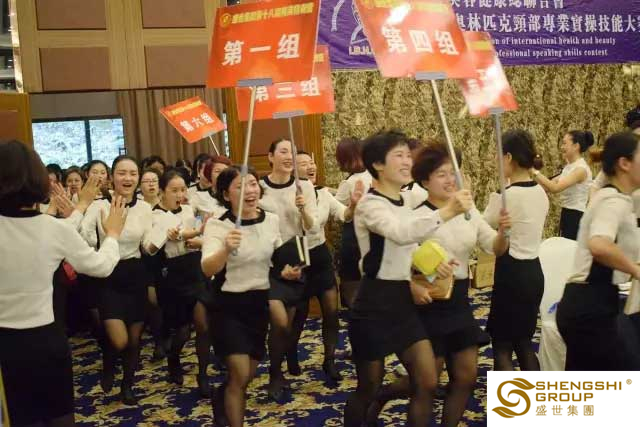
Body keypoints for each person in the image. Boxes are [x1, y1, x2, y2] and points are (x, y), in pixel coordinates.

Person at [365, 142, 510, 427]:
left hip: (459, 300)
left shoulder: (469, 212)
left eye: (454, 172)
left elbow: (495, 248)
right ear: (425, 181)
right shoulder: (417, 216)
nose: (450, 179)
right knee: (425, 383)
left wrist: (504, 232)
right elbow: (397, 264)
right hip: (427, 304)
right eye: (442, 174)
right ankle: (383, 395)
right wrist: (417, 283)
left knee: (466, 376)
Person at [344, 130, 472, 427]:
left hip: (403, 303)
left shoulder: (404, 200)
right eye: (398, 156)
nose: (407, 161)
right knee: (368, 387)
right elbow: (400, 233)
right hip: (373, 305)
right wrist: (449, 211)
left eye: (407, 155)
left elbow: (410, 248)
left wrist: (434, 266)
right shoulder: (370, 204)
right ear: (378, 164)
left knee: (427, 381)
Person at [0, 140, 126, 427]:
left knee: (15, 416)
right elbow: (101, 266)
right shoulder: (52, 229)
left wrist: (80, 206)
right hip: (44, 341)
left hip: (4, 342)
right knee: (57, 416)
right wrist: (113, 234)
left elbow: (55, 232)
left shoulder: (52, 229)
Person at [202, 166, 301, 427]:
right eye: (240, 186)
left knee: (246, 376)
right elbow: (207, 268)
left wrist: (286, 272)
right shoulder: (218, 225)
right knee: (240, 373)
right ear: (226, 194)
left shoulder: (270, 220)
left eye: (254, 184)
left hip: (258, 304)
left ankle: (221, 396)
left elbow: (274, 259)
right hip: (227, 307)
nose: (250, 191)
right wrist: (225, 248)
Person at [557, 132, 640, 370]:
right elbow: (599, 245)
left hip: (592, 302)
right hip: (588, 306)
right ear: (624, 164)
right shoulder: (613, 200)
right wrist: (636, 270)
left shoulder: (617, 198)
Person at [80, 155, 154, 405]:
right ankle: (109, 359)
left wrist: (166, 237)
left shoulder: (144, 208)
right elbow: (86, 236)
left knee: (133, 340)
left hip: (135, 274)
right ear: (112, 177)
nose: (128, 178)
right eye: (122, 173)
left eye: (133, 173)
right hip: (108, 274)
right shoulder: (99, 206)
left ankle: (127, 385)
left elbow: (147, 244)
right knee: (119, 339)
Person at [287, 151, 363, 384]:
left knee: (331, 312)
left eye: (311, 162)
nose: (310, 167)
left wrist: (353, 205)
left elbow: (344, 216)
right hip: (299, 256)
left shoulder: (324, 194)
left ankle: (329, 359)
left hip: (320, 255)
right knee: (299, 314)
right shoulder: (289, 196)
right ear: (293, 170)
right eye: (303, 164)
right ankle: (291, 355)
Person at [484, 129, 549, 371]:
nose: (495, 160)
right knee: (523, 343)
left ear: (508, 157)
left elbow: (481, 224)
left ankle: (510, 398)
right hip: (534, 273)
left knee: (502, 345)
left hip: (511, 274)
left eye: (497, 154)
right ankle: (535, 394)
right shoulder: (540, 192)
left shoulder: (506, 196)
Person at [258, 138, 318, 400]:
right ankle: (274, 373)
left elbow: (311, 227)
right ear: (270, 156)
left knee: (288, 323)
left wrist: (303, 209)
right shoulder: (259, 188)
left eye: (292, 153)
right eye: (282, 152)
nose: (288, 157)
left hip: (295, 257)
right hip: (268, 258)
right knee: (279, 321)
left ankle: (280, 365)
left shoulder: (304, 186)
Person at [148, 169, 211, 397]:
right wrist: (194, 232)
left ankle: (202, 374)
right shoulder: (155, 216)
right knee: (183, 331)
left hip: (195, 268)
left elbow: (196, 233)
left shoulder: (188, 209)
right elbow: (173, 237)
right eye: (174, 190)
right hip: (173, 274)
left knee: (203, 325)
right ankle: (173, 357)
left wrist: (200, 234)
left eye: (183, 189)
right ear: (162, 192)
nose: (180, 194)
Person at [532, 131, 594, 240]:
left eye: (565, 143)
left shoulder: (581, 169)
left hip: (576, 216)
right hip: (567, 214)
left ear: (576, 146)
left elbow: (555, 188)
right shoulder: (570, 167)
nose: (561, 147)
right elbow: (549, 185)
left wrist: (532, 171)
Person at [334, 137, 373, 309]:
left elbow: (337, 210)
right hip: (373, 233)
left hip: (354, 236)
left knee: (351, 277)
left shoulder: (349, 182)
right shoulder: (372, 175)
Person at [139, 168, 165, 360]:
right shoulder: (138, 208)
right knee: (153, 302)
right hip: (146, 260)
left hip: (167, 259)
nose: (150, 184)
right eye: (146, 181)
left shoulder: (166, 205)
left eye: (154, 180)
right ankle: (159, 342)